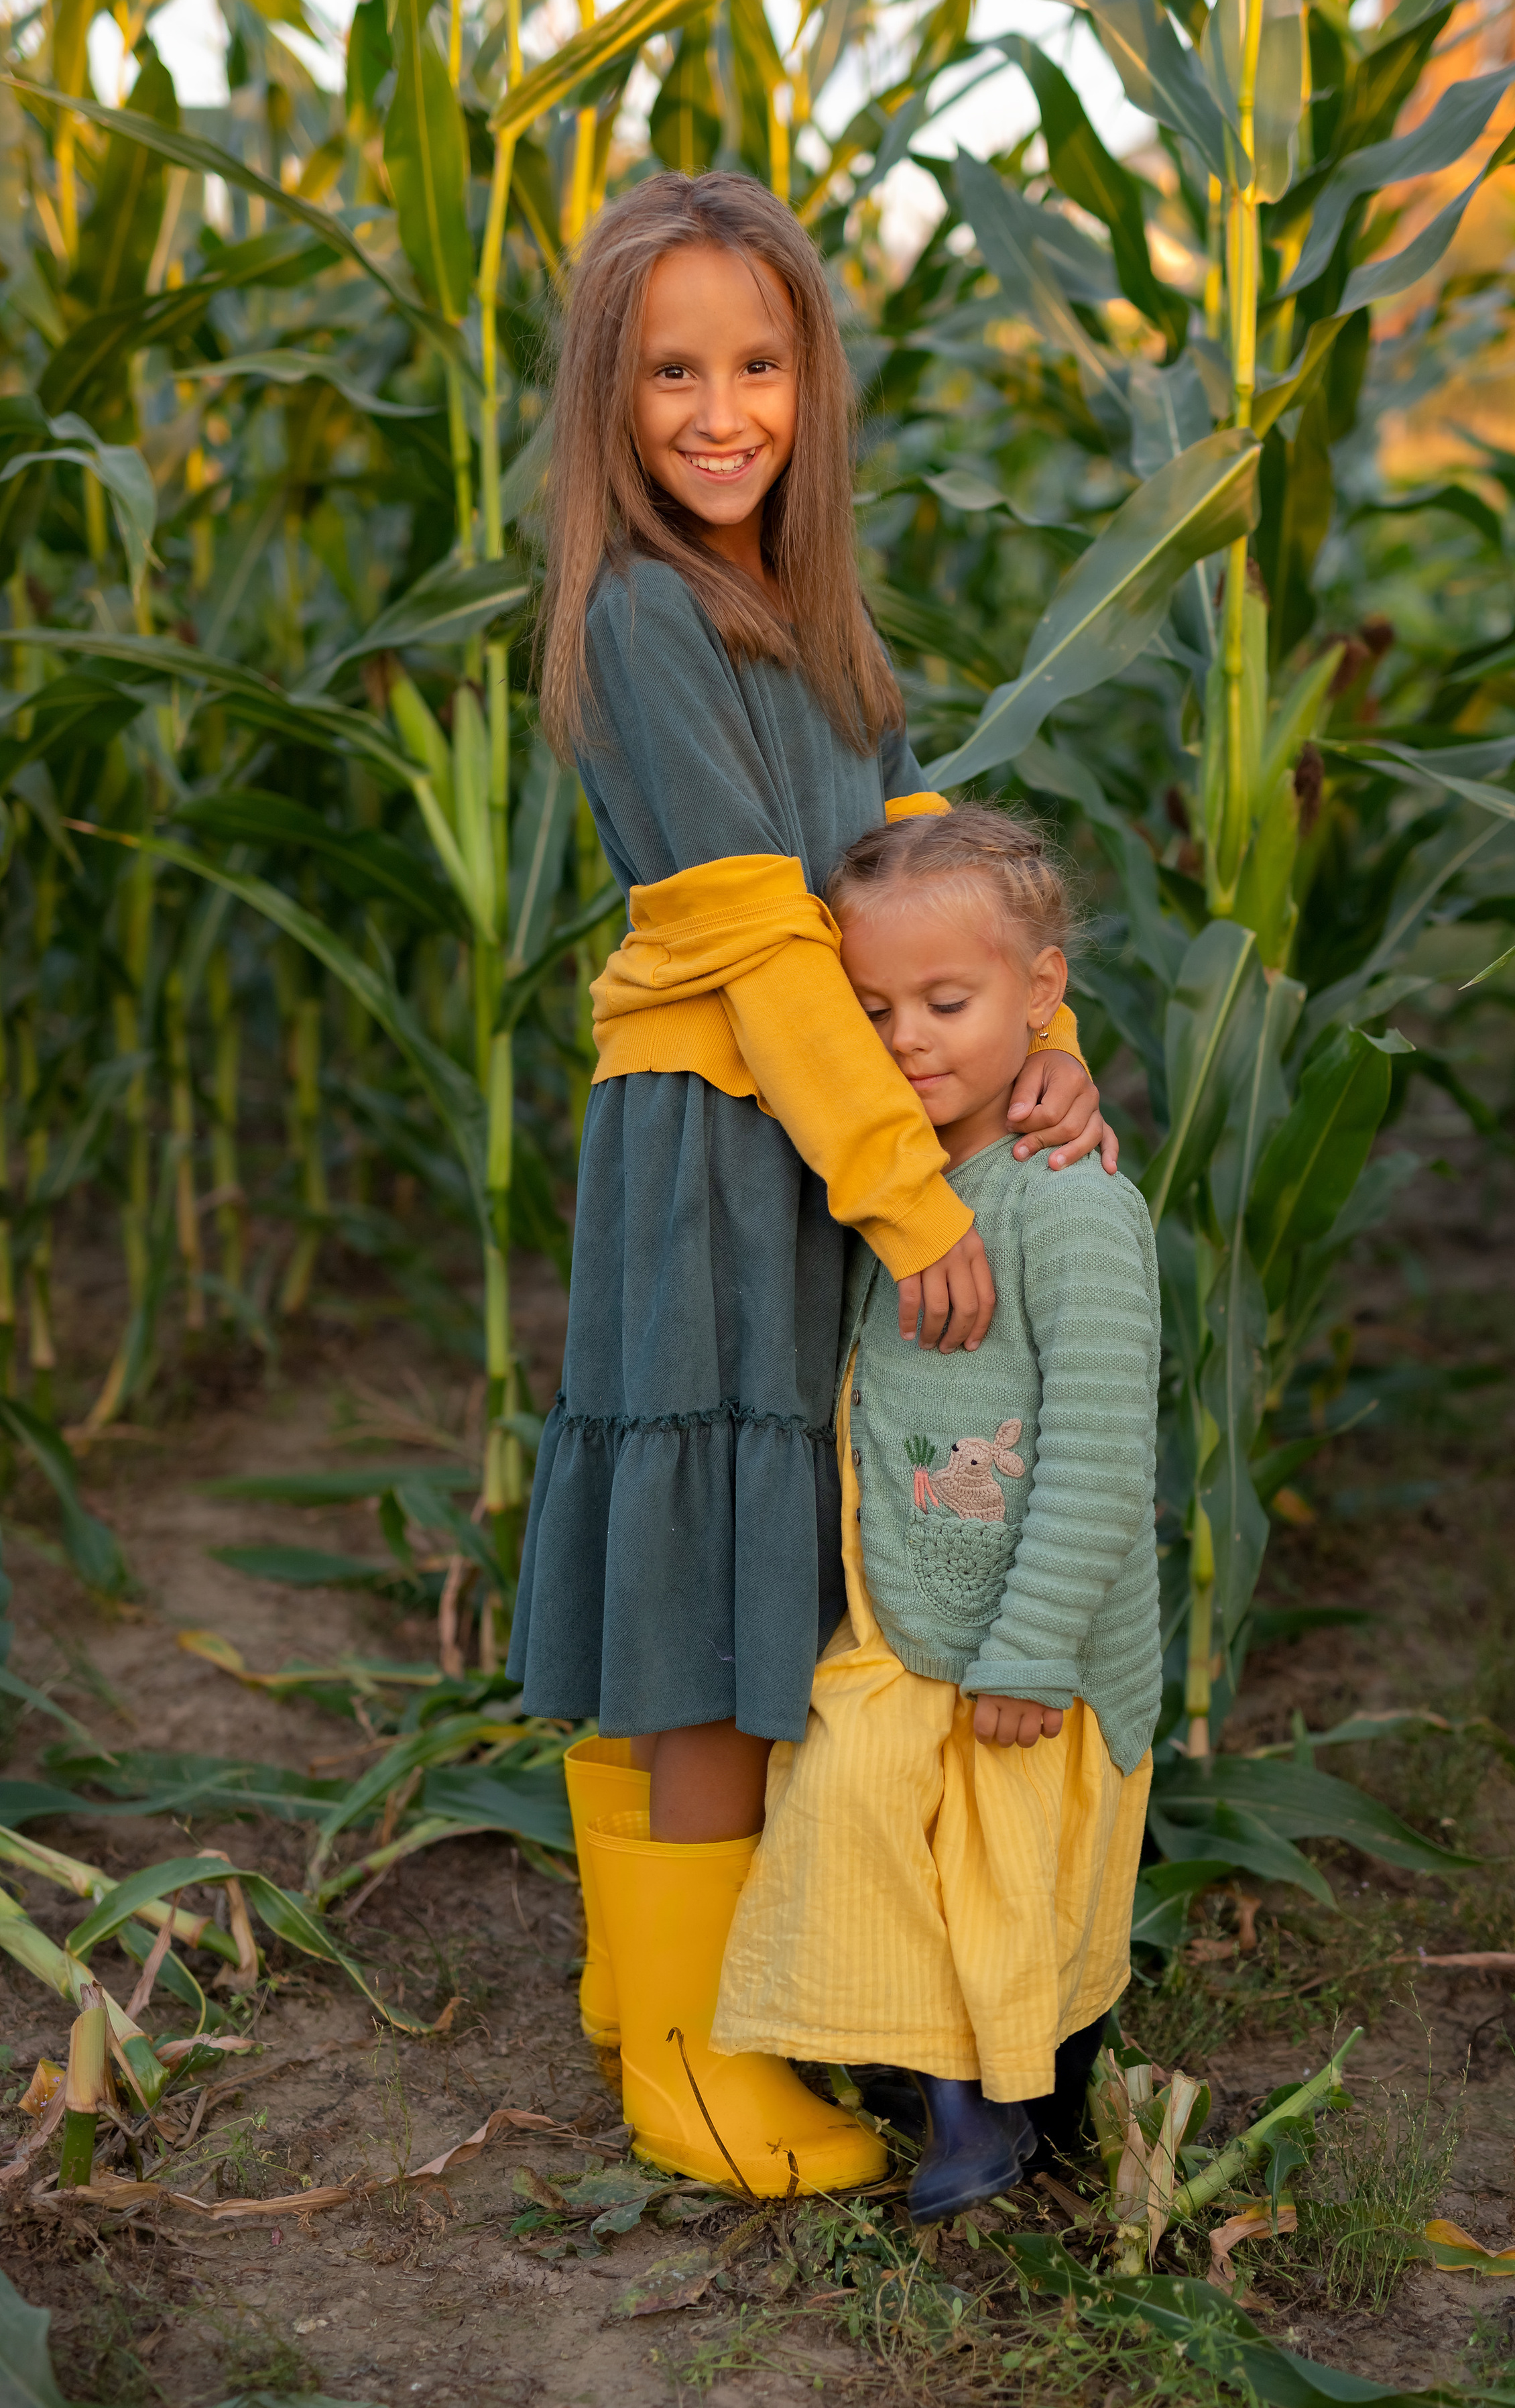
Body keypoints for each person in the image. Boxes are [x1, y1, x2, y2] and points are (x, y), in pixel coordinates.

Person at [511, 170, 1117, 2197]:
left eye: (758, 362)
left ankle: (647, 1988)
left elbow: (914, 870)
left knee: (733, 1545)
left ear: (812, 383)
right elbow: (772, 947)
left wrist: (1044, 1050)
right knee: (705, 1572)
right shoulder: (643, 613)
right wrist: (909, 1194)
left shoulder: (810, 617)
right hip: (715, 1146)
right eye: (672, 368)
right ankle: (688, 2067)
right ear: (609, 395)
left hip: (804, 1145)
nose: (719, 407)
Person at [711, 804, 1162, 2224]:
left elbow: (1096, 1456)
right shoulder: (902, 1182)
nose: (904, 1038)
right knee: (854, 1819)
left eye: (945, 1003)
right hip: (908, 1613)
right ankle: (945, 2081)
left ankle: (1015, 2102)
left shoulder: (1065, 1208)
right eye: (870, 1010)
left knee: (1009, 1886)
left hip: (1033, 1644)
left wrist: (1031, 1650)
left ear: (1041, 995)